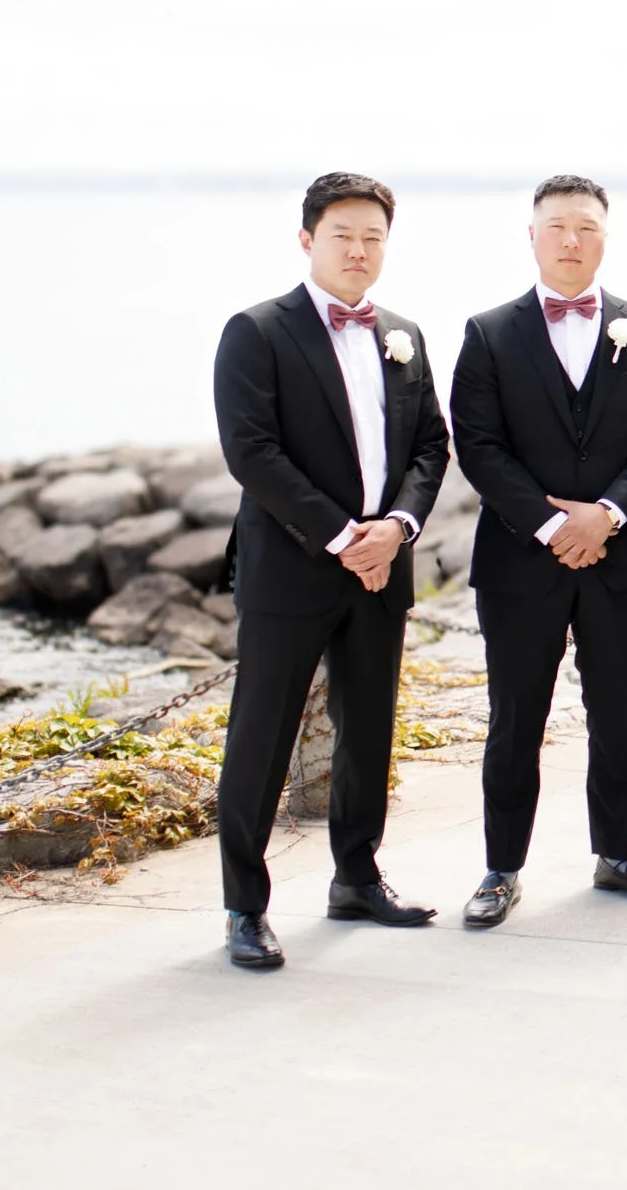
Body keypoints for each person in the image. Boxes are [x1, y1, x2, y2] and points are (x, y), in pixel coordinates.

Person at [210, 172, 451, 969]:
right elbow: (252, 451)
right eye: (343, 235)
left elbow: (431, 445)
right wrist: (345, 535)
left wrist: (397, 527)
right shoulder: (257, 330)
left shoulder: (404, 334)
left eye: (373, 237)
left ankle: (356, 876)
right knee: (262, 736)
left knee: (369, 731)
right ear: (307, 239)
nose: (358, 250)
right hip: (292, 568)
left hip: (382, 566)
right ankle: (245, 906)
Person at [447, 175, 627, 927]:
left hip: (621, 557)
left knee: (618, 715)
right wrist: (553, 526)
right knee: (515, 719)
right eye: (556, 226)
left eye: (586, 226)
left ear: (605, 237)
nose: (571, 240)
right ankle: (500, 869)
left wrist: (609, 515)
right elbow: (479, 445)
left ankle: (618, 855)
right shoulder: (489, 332)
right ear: (532, 236)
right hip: (521, 560)